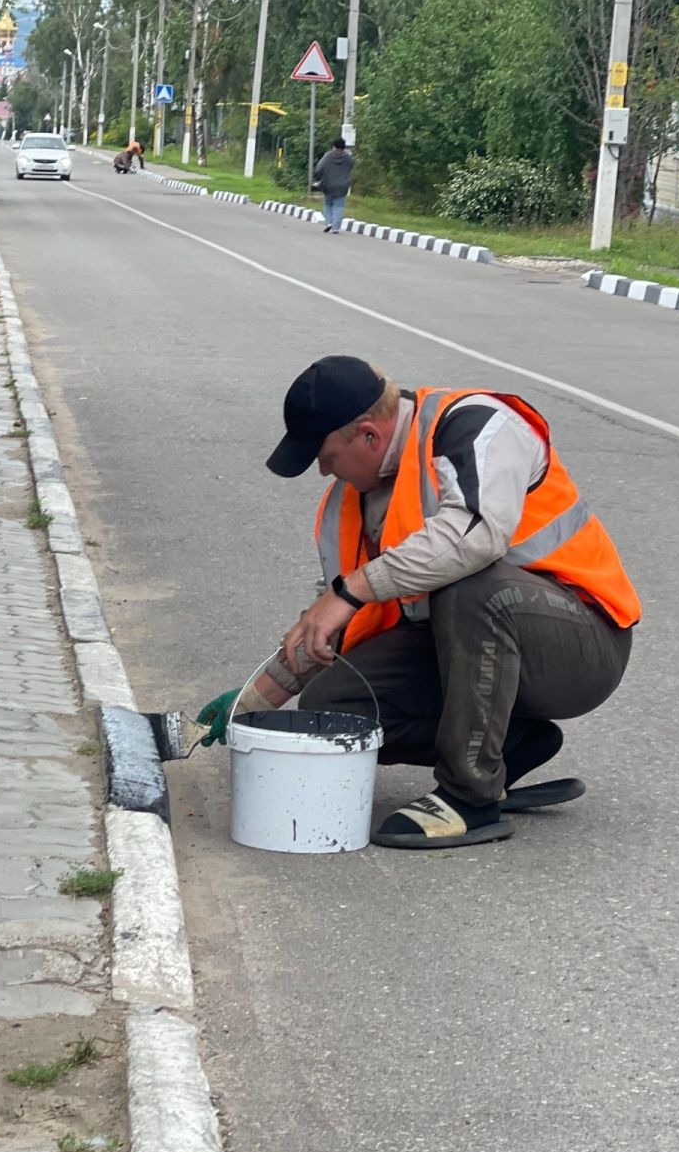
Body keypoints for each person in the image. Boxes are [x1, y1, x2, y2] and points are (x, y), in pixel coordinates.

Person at [193, 356, 639, 848]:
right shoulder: (354, 498)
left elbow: (474, 537)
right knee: (335, 704)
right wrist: (255, 701)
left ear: (368, 435)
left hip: (579, 647)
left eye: (326, 455)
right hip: (477, 646)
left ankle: (471, 798)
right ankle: (510, 748)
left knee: (474, 588)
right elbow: (336, 622)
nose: (322, 470)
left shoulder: (476, 426)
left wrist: (351, 590)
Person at [312, 137, 353, 233]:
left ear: (334, 146)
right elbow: (352, 165)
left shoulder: (328, 156)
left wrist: (317, 178)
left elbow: (319, 168)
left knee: (328, 205)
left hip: (329, 185)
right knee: (339, 206)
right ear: (343, 147)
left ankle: (329, 222)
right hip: (342, 186)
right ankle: (336, 227)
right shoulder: (348, 158)